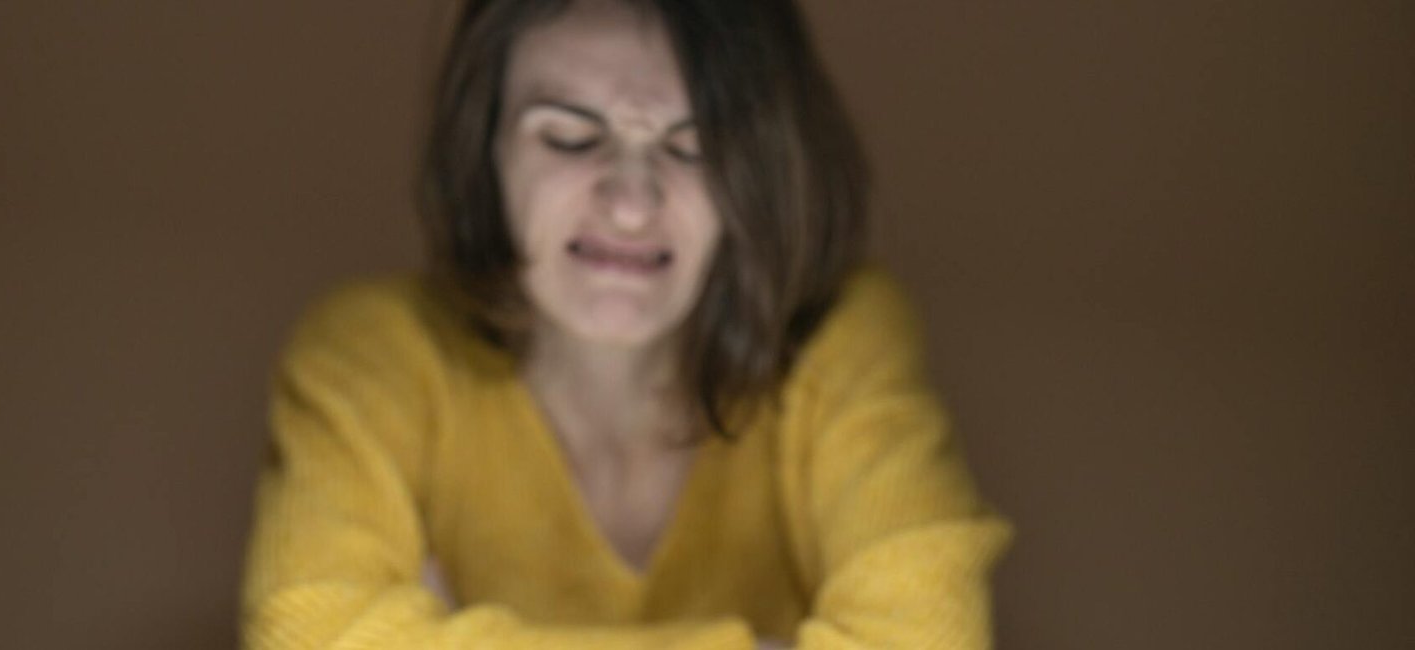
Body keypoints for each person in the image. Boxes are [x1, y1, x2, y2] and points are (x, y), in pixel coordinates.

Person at [240, 0, 1011, 647]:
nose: (632, 203)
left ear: (758, 171)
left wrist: (444, 632)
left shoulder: (841, 334)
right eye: (571, 136)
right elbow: (307, 630)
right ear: (484, 151)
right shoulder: (372, 352)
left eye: (694, 148)